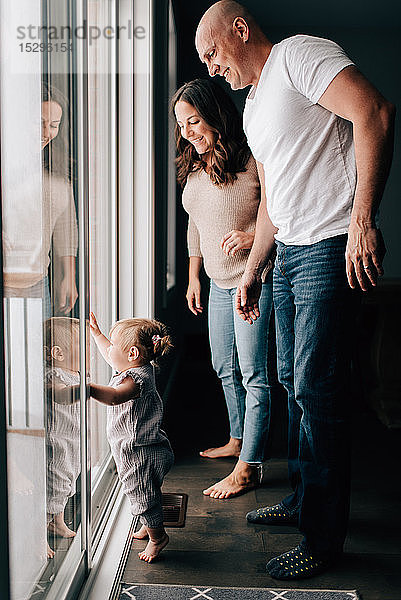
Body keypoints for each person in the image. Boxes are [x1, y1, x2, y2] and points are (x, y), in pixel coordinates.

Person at [196, 0, 395, 580]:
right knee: (292, 383)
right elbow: (274, 207)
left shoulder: (298, 56)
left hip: (331, 246)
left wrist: (363, 220)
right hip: (287, 255)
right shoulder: (255, 106)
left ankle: (323, 537)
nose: (212, 69)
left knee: (318, 388)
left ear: (239, 28)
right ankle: (307, 499)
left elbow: (374, 113)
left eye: (212, 53)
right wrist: (256, 269)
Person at [172, 78, 273, 499]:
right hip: (215, 282)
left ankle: (251, 465)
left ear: (214, 115)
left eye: (194, 121)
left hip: (255, 279)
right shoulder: (194, 166)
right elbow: (195, 223)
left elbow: (278, 211)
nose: (188, 131)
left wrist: (251, 238)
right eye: (182, 125)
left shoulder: (252, 159)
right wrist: (194, 275)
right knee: (223, 366)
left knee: (254, 375)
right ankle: (236, 437)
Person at [89, 313, 174, 563]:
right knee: (145, 492)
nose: (109, 350)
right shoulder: (136, 367)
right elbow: (110, 354)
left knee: (143, 498)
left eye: (114, 344)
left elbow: (115, 397)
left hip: (139, 451)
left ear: (133, 354)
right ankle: (150, 526)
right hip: (143, 446)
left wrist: (89, 389)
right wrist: (98, 334)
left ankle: (158, 537)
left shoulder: (136, 380)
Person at [2, 82, 78, 319]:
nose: (47, 133)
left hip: (37, 283)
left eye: (54, 125)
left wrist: (69, 276)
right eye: (39, 123)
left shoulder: (56, 175)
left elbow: (67, 228)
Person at [44, 317, 82, 559]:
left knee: (68, 480)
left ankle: (57, 522)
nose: (88, 353)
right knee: (54, 485)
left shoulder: (75, 373)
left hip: (71, 441)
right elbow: (60, 395)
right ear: (58, 353)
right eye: (83, 347)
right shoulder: (54, 376)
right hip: (56, 443)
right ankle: (38, 531)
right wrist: (84, 391)